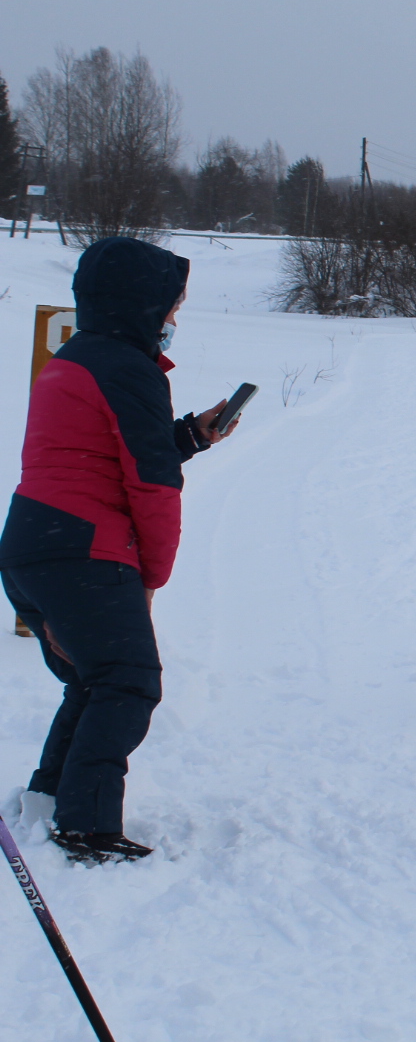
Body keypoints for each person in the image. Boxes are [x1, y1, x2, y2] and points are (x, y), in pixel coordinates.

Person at [0, 237, 238, 865]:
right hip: (82, 548)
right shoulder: (128, 368)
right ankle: (86, 826)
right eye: (170, 307)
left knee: (94, 679)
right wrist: (150, 577)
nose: (173, 321)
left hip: (35, 544)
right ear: (139, 304)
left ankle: (49, 800)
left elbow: (104, 452)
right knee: (129, 682)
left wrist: (189, 434)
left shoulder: (79, 357)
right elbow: (152, 483)